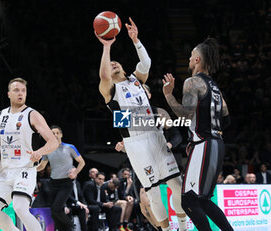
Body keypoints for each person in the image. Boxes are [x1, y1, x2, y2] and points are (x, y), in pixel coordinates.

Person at [95, 17, 187, 231]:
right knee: (153, 192)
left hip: (155, 136)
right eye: (110, 64)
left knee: (177, 185)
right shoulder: (110, 91)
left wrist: (136, 40)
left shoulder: (136, 80)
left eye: (115, 61)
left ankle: (183, 227)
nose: (113, 63)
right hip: (136, 143)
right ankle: (166, 229)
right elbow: (103, 75)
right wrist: (107, 47)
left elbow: (145, 64)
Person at [162, 37, 233, 231]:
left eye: (191, 56)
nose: (188, 59)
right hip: (217, 144)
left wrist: (168, 95)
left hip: (204, 144)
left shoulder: (192, 82)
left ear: (197, 60)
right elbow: (226, 120)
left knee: (189, 201)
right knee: (203, 200)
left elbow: (186, 113)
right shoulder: (216, 88)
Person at [0, 77, 59, 231]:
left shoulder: (32, 115)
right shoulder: (0, 116)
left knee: (20, 208)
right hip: (4, 172)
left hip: (25, 170)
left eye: (23, 91)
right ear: (8, 94)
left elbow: (53, 142)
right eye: (16, 90)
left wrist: (39, 152)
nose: (20, 93)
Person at [37, 125, 85, 231]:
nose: (55, 135)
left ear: (61, 135)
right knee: (54, 213)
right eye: (52, 133)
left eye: (57, 133)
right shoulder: (47, 150)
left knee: (56, 208)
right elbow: (41, 166)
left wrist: (76, 172)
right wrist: (28, 169)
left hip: (66, 183)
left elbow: (82, 162)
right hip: (53, 183)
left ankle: (70, 226)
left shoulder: (70, 147)